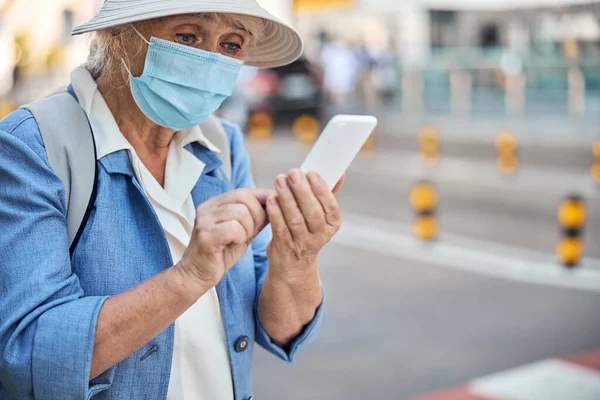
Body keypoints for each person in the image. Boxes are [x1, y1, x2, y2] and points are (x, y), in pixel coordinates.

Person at [0, 1, 344, 399]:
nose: (208, 59)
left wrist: (297, 258)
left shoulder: (222, 144)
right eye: (187, 36)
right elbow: (27, 354)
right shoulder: (32, 143)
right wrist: (189, 277)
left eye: (231, 45)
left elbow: (281, 329)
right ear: (120, 37)